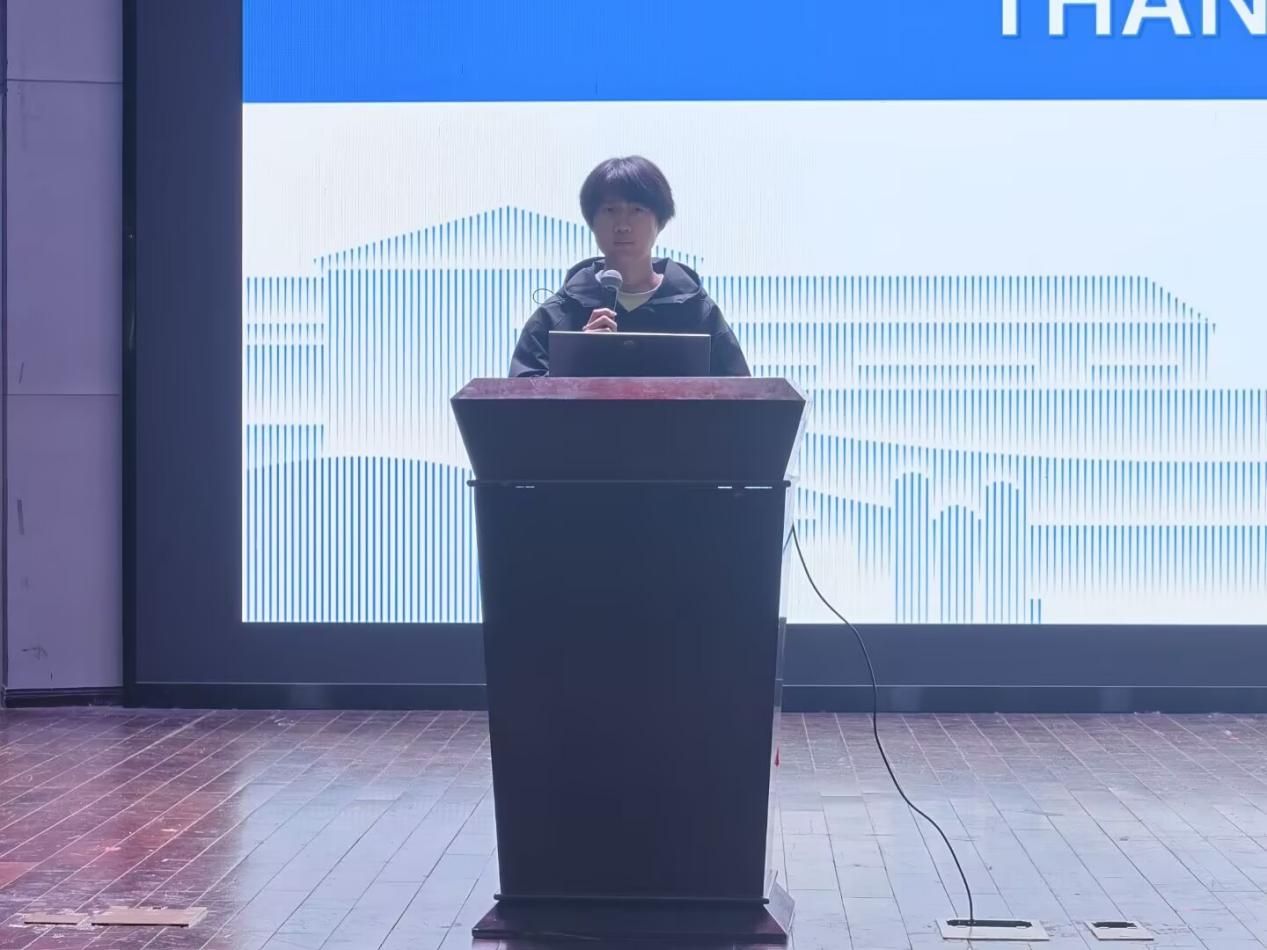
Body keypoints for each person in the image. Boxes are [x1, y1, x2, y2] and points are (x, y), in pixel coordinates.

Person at [508, 156, 750, 377]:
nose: (622, 225)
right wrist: (577, 362)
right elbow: (519, 399)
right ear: (592, 222)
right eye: (610, 210)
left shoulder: (697, 311)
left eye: (637, 210)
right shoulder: (558, 314)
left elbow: (742, 397)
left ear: (660, 222)